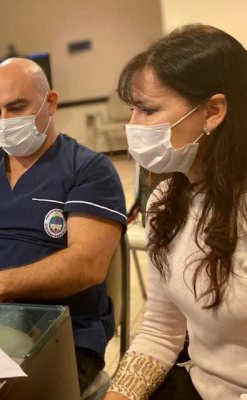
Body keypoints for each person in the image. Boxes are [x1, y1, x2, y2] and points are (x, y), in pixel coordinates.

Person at [0, 57, 127, 392]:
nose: (4, 121)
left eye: (17, 107)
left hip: (59, 336)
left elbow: (87, 264)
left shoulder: (88, 169)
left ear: (50, 102)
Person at [105, 24, 247, 400]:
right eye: (132, 109)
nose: (133, 126)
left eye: (148, 110)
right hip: (200, 385)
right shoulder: (166, 199)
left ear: (213, 111)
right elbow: (161, 329)